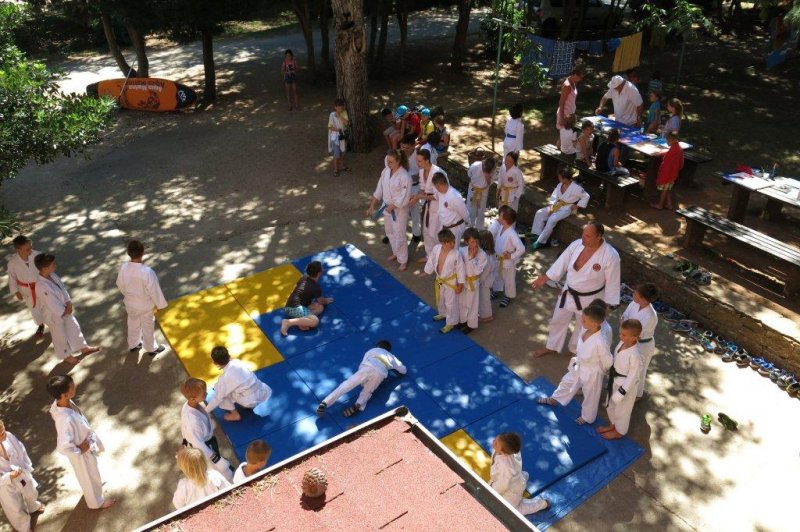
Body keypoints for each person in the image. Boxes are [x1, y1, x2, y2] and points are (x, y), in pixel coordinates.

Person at [531, 222, 621, 358]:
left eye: (588, 236)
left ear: (599, 237)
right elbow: (561, 262)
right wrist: (545, 278)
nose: (583, 238)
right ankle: (552, 346)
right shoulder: (577, 244)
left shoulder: (610, 256)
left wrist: (607, 306)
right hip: (568, 291)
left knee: (583, 326)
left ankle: (576, 350)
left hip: (590, 298)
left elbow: (612, 282)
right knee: (558, 319)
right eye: (583, 234)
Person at [46, 375, 115, 509]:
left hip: (84, 446)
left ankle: (93, 491)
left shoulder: (62, 403)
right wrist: (80, 450)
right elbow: (63, 446)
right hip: (81, 453)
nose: (75, 386)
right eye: (72, 387)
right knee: (88, 476)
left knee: (91, 473)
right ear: (65, 395)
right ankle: (96, 502)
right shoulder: (64, 420)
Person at [537, 305, 613, 424]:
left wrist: (601, 371)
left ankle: (587, 417)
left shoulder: (601, 341)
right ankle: (554, 399)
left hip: (592, 371)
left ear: (594, 323)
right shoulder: (584, 329)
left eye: (584, 320)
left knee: (591, 395)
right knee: (566, 381)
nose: (581, 321)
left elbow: (608, 361)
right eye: (582, 318)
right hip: (579, 364)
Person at [34, 254, 100, 365]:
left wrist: (68, 302)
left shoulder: (53, 275)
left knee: (74, 327)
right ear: (44, 268)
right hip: (54, 314)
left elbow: (63, 289)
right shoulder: (40, 285)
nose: (55, 265)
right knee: (59, 335)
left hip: (65, 308)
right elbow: (50, 302)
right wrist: (63, 311)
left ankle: (83, 347)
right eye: (53, 264)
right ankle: (66, 355)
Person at [316, 340, 406, 418]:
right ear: (388, 350)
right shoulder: (392, 357)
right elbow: (403, 370)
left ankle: (325, 403)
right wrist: (395, 369)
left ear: (378, 346)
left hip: (368, 367)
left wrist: (363, 380)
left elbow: (363, 363)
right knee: (367, 391)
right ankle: (358, 404)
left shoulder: (372, 350)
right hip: (380, 373)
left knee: (346, 385)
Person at [116, 239, 168, 356]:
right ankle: (151, 348)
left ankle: (133, 344)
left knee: (132, 323)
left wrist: (128, 295)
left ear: (128, 252)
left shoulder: (123, 268)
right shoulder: (147, 272)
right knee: (148, 325)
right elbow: (154, 290)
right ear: (143, 252)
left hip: (130, 303)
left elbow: (120, 284)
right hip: (145, 305)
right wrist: (159, 304)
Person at [367, 150, 413, 271]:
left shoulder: (404, 176)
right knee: (389, 232)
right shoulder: (386, 171)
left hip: (399, 210)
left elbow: (405, 196)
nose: (388, 164)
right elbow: (379, 189)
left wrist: (393, 206)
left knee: (400, 235)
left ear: (398, 161)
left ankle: (403, 260)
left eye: (391, 162)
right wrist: (372, 205)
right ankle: (396, 253)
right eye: (387, 161)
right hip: (386, 207)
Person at [180, 378, 233, 482]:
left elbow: (185, 430)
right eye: (204, 394)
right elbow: (198, 444)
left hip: (207, 441)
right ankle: (229, 480)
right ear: (193, 398)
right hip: (204, 449)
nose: (207, 394)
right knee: (218, 469)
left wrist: (184, 442)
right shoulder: (192, 421)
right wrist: (216, 459)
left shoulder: (188, 405)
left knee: (219, 465)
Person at [598, 319, 644, 440]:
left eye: (623, 334)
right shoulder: (622, 343)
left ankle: (619, 431)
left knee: (622, 411)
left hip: (625, 386)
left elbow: (633, 376)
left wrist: (623, 391)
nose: (620, 336)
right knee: (610, 404)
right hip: (615, 379)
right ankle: (613, 424)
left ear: (634, 338)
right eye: (620, 333)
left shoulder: (635, 355)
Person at [205, 346, 273, 422]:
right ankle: (248, 403)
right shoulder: (237, 362)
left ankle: (235, 414)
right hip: (263, 392)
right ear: (229, 356)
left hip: (250, 401)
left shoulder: (224, 379)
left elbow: (217, 398)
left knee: (220, 391)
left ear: (215, 363)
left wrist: (205, 411)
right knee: (230, 386)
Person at [0, 420, 45, 532]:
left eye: (3, 430)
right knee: (14, 506)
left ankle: (33, 506)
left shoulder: (8, 436)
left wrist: (26, 466)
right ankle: (24, 527)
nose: (3, 434)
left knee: (31, 490)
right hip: (4, 484)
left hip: (19, 472)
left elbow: (21, 450)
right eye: (0, 434)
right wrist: (7, 477)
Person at [530, 166, 589, 251]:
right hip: (557, 205)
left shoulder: (576, 188)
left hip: (567, 208)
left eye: (560, 177)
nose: (558, 178)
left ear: (565, 178)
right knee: (540, 212)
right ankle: (536, 234)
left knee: (552, 219)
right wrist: (551, 206)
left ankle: (541, 241)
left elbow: (586, 196)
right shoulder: (560, 184)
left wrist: (577, 206)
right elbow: (554, 196)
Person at [489, 432, 550, 515]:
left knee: (511, 510)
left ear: (504, 453)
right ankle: (523, 477)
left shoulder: (506, 466)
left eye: (496, 443)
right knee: (518, 476)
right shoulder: (512, 451)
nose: (493, 442)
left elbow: (503, 484)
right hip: (516, 479)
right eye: (496, 439)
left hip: (512, 491)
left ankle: (543, 504)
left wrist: (491, 490)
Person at [621, 283, 659, 399]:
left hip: (643, 346)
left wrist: (625, 330)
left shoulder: (650, 315)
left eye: (636, 293)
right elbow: (624, 317)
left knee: (639, 371)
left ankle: (637, 394)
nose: (633, 293)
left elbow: (637, 333)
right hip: (627, 337)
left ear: (642, 298)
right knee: (625, 365)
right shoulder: (633, 304)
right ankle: (623, 386)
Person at [424, 229, 465, 334]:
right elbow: (431, 260)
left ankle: (451, 322)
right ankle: (443, 313)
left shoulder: (456, 254)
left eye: (453, 242)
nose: (453, 244)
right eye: (450, 243)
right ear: (443, 243)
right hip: (440, 280)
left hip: (451, 283)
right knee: (440, 299)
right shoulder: (436, 249)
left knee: (450, 303)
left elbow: (461, 270)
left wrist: (460, 284)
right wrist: (427, 271)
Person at [280, 261, 333, 336]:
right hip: (293, 308)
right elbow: (321, 301)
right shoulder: (315, 287)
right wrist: (326, 300)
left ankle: (303, 321)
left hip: (293, 304)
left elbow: (296, 290)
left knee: (320, 307)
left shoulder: (303, 277)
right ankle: (288, 322)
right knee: (315, 322)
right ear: (319, 273)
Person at [6, 235, 44, 337]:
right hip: (26, 290)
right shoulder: (12, 262)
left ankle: (54, 323)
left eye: (31, 247)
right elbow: (12, 278)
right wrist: (16, 292)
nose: (31, 250)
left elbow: (46, 269)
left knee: (48, 305)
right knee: (34, 308)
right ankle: (41, 324)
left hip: (41, 285)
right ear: (18, 249)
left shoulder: (38, 255)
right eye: (27, 249)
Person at [414, 149, 448, 261]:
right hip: (428, 206)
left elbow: (440, 195)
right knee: (426, 231)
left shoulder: (438, 173)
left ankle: (438, 257)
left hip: (439, 206)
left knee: (435, 232)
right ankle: (429, 256)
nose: (417, 163)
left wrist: (420, 197)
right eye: (417, 160)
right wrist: (416, 196)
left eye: (419, 161)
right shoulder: (421, 171)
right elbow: (423, 189)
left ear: (427, 160)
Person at [490, 207, 524, 309]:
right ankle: (497, 290)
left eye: (500, 215)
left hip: (508, 262)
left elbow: (521, 249)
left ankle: (508, 296)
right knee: (497, 275)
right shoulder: (501, 227)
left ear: (504, 219)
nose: (498, 217)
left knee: (508, 279)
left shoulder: (512, 234)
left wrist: (511, 256)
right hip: (499, 259)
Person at [458, 228, 487, 334]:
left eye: (476, 241)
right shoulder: (462, 250)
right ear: (466, 242)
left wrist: (472, 258)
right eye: (472, 242)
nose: (475, 244)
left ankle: (472, 324)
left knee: (472, 303)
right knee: (462, 301)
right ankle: (463, 320)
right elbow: (458, 265)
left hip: (473, 282)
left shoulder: (482, 255)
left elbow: (477, 271)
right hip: (462, 280)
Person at [432, 173, 469, 247]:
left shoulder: (455, 196)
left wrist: (467, 222)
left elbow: (464, 213)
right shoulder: (440, 192)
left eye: (436, 187)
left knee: (453, 249)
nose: (436, 189)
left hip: (455, 229)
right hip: (444, 227)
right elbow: (436, 198)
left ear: (439, 185)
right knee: (444, 248)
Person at [651, 131, 684, 211]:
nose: (667, 142)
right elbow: (680, 162)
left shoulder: (674, 149)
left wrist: (663, 174)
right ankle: (669, 204)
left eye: (668, 140)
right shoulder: (677, 147)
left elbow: (667, 163)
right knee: (667, 189)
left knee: (664, 190)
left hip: (668, 174)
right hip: (673, 173)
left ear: (672, 140)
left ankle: (660, 205)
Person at [399, 134, 422, 244]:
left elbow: (423, 172)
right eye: (402, 147)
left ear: (413, 146)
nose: (404, 150)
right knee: (400, 211)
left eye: (407, 148)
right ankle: (398, 233)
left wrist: (416, 176)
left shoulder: (419, 156)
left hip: (414, 187)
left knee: (415, 211)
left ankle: (416, 233)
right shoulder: (399, 155)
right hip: (401, 187)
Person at [466, 157, 496, 230]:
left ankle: (479, 227)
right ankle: (470, 226)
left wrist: (488, 178)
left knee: (481, 209)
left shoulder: (493, 170)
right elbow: (469, 174)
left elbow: (491, 181)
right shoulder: (475, 166)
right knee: (471, 207)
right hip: (473, 189)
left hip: (484, 190)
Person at [556, 62, 584, 131]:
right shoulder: (567, 86)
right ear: (575, 75)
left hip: (570, 113)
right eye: (580, 77)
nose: (580, 79)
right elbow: (561, 102)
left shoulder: (573, 82)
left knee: (566, 135)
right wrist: (562, 118)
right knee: (564, 134)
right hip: (565, 115)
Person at [477, 230, 498, 323]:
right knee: (485, 297)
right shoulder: (491, 253)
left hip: (485, 281)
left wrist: (478, 281)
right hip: (489, 279)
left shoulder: (485, 256)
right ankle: (486, 314)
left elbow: (484, 272)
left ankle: (487, 316)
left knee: (484, 298)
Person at [328, 98, 350, 177]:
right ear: (335, 107)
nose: (340, 109)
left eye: (341, 108)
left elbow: (346, 123)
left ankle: (342, 166)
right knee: (336, 154)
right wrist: (337, 130)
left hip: (343, 136)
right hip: (336, 137)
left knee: (342, 152)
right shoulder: (332, 115)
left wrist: (340, 116)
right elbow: (330, 127)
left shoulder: (344, 113)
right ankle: (336, 169)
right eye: (338, 108)